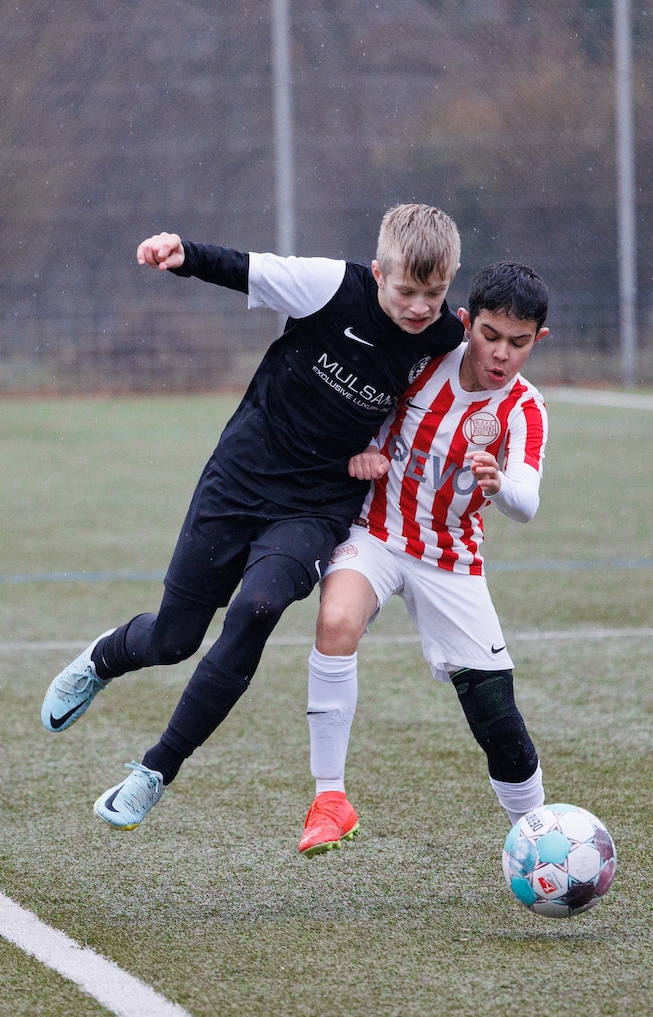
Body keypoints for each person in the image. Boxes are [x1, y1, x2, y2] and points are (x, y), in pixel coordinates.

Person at [41, 204, 465, 831]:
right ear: (378, 273)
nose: (420, 307)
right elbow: (248, 269)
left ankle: (155, 770)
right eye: (406, 291)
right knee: (173, 640)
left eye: (435, 294)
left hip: (317, 506)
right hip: (240, 478)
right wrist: (183, 254)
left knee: (258, 608)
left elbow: (438, 405)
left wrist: (382, 449)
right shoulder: (331, 287)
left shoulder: (443, 337)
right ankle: (102, 660)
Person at [298, 261, 550, 858]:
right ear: (465, 322)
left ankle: (540, 838)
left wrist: (498, 486)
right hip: (376, 534)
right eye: (490, 335)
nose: (501, 354)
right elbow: (361, 413)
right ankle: (329, 799)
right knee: (336, 621)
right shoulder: (422, 362)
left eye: (519, 343)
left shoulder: (524, 408)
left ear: (538, 340)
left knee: (496, 716)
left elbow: (527, 502)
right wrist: (363, 450)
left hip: (451, 559)